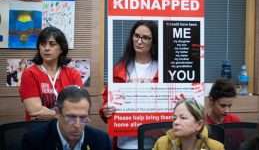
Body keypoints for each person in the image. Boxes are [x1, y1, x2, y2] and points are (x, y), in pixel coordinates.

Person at [99, 20, 158, 150]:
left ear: (154, 42)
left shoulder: (163, 69)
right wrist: (106, 110)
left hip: (156, 143)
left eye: (146, 38)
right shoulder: (119, 69)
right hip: (124, 143)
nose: (139, 41)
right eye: (136, 36)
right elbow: (106, 103)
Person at [19, 26, 83, 121]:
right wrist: (66, 115)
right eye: (43, 44)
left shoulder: (73, 74)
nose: (47, 48)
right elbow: (35, 111)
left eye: (52, 44)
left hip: (66, 131)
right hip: (39, 131)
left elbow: (79, 108)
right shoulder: (30, 73)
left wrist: (53, 114)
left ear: (61, 48)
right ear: (39, 48)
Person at [22, 85, 112, 150]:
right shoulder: (34, 141)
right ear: (57, 113)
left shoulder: (102, 141)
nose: (77, 125)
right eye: (71, 117)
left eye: (83, 117)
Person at [153, 99, 224, 150]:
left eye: (183, 118)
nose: (176, 122)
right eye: (174, 118)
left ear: (199, 125)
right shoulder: (162, 144)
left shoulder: (216, 147)